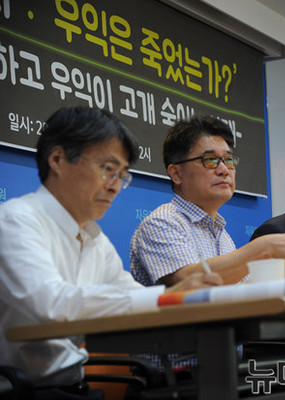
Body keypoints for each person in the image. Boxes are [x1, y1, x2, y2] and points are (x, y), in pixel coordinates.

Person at [0, 107, 221, 397]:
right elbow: (52, 305)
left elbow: (129, 293)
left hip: (75, 386)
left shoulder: (94, 238)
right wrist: (166, 296)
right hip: (21, 389)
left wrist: (180, 298)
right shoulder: (15, 220)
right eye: (107, 169)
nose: (115, 186)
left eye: (121, 175)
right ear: (58, 159)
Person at [130, 115, 285, 288]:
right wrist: (264, 248)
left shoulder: (223, 235)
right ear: (176, 174)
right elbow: (191, 284)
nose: (224, 170)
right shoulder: (162, 223)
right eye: (210, 160)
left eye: (228, 160)